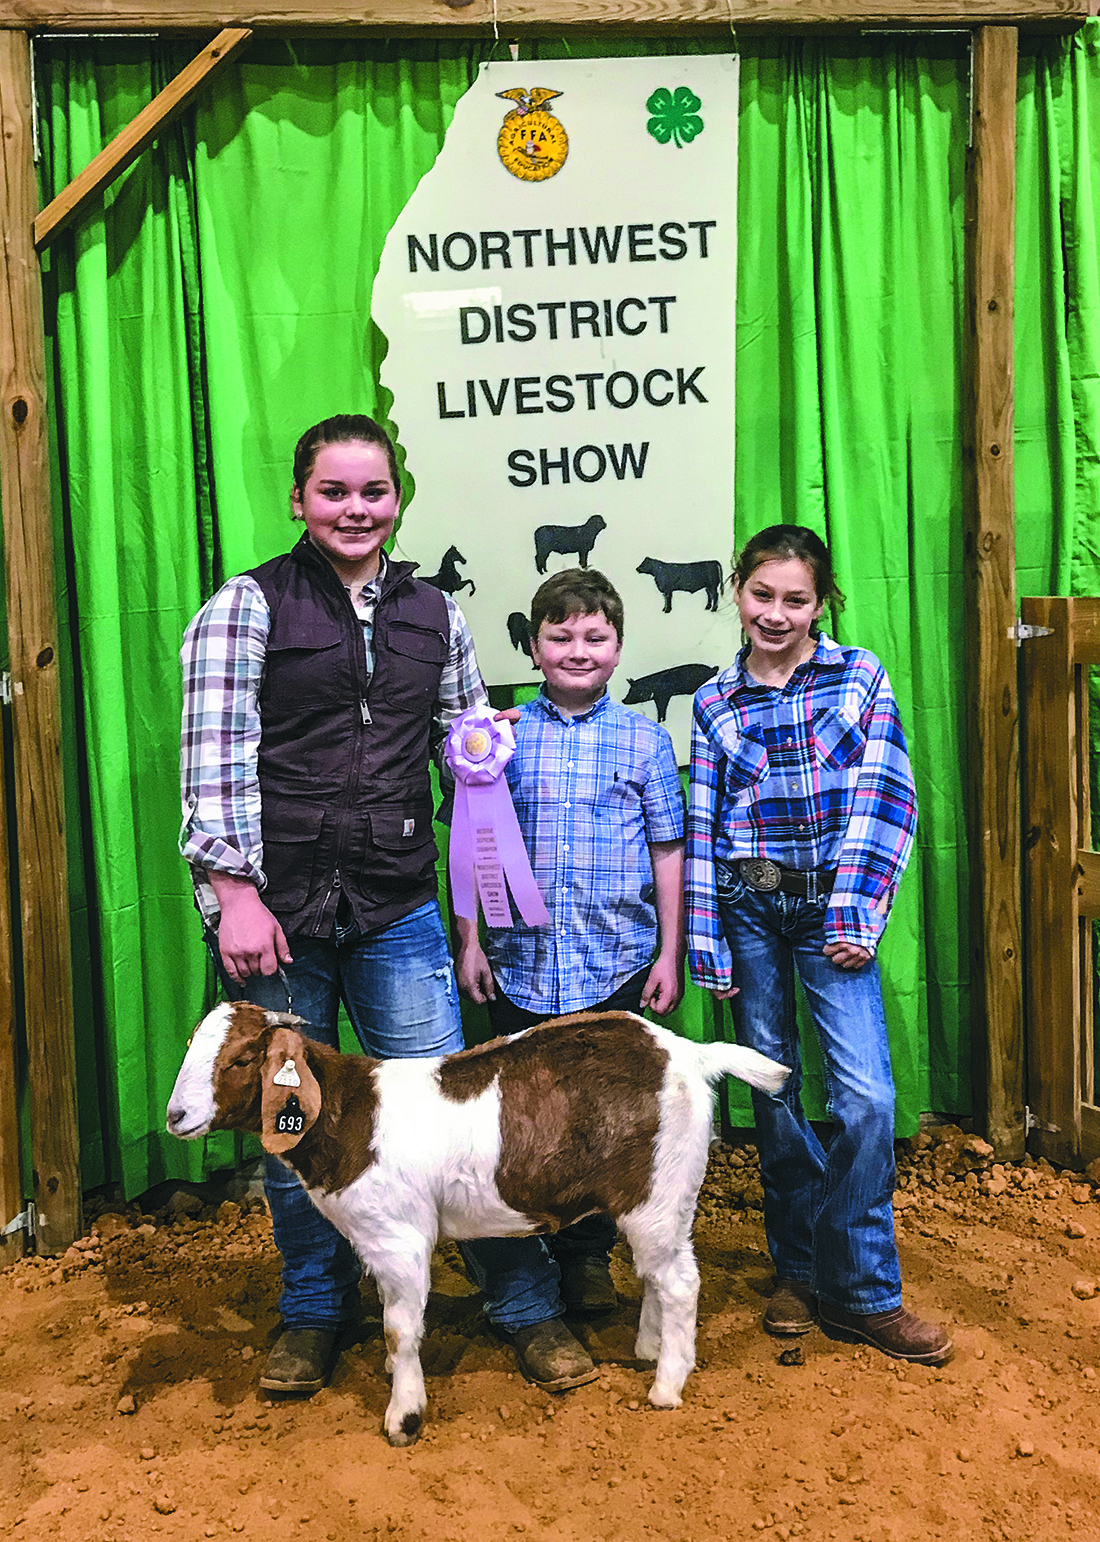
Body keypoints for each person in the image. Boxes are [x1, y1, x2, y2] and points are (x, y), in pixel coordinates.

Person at [179, 413, 487, 1396]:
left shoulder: (436, 613)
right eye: (334, 492)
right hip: (277, 920)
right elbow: (214, 758)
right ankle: (313, 1313)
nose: (356, 509)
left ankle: (509, 1305)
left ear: (398, 498)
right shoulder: (246, 606)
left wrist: (487, 757)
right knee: (290, 1128)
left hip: (399, 903)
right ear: (301, 500)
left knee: (444, 1118)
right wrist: (232, 892)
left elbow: (462, 747)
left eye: (373, 491)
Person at [685, 525, 951, 1365]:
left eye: (795, 599)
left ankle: (863, 1289)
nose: (776, 613)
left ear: (821, 601)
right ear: (737, 591)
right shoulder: (714, 699)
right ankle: (797, 1267)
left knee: (866, 1098)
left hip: (832, 914)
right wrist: (706, 935)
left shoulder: (858, 676)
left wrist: (855, 911)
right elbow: (704, 822)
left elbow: (887, 792)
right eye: (761, 594)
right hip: (748, 907)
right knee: (773, 1089)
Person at [455, 568, 686, 1363]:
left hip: (616, 961)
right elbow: (471, 840)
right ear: (533, 645)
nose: (577, 650)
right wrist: (472, 941)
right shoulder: (501, 738)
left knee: (603, 1125)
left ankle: (590, 1263)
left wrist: (669, 949)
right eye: (559, 636)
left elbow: (667, 847)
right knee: (522, 1125)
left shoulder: (648, 741)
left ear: (619, 647)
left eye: (594, 637)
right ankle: (533, 1275)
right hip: (519, 965)